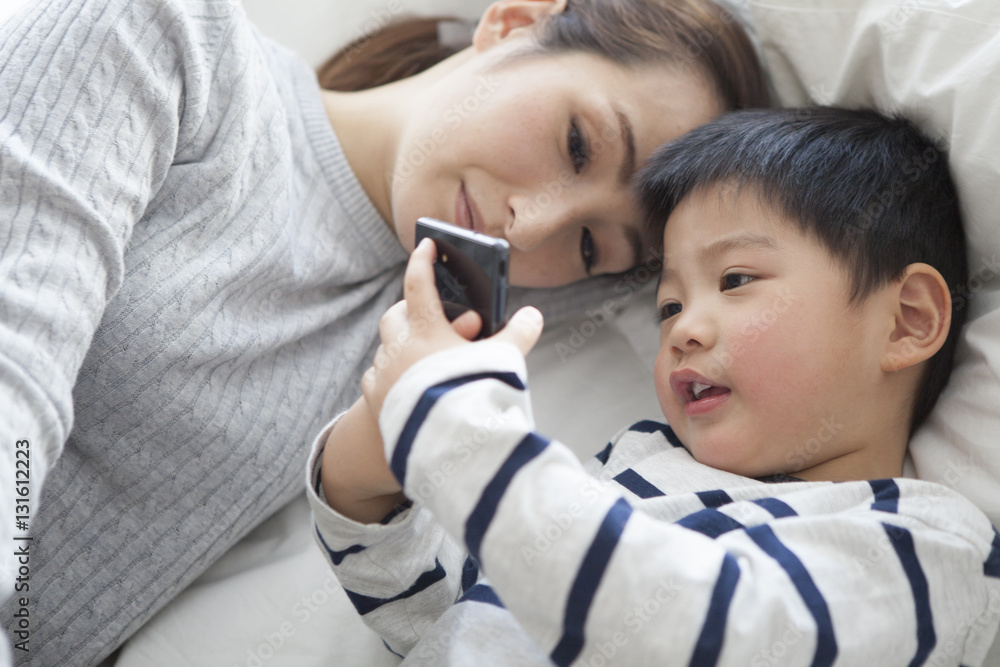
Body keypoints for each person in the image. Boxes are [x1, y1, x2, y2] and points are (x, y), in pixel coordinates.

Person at [0, 0, 768, 663]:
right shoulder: (172, 43)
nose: (529, 230)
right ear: (514, 21)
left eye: (593, 245)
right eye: (578, 145)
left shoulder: (446, 330)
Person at [308, 107, 1000, 665]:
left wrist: (459, 427)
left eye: (736, 280)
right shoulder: (637, 464)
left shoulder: (927, 545)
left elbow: (695, 629)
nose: (683, 330)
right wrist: (375, 458)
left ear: (906, 319)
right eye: (667, 305)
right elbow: (444, 608)